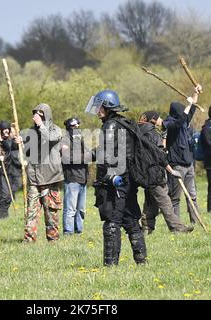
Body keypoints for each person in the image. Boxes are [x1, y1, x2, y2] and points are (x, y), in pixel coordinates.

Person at [86, 90, 147, 266]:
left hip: (115, 183)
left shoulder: (111, 126)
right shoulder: (124, 124)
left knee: (112, 222)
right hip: (127, 181)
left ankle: (110, 265)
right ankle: (141, 261)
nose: (97, 111)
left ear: (108, 107)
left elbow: (106, 154)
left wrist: (88, 156)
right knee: (131, 220)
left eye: (99, 107)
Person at [138, 111, 194, 234]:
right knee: (165, 202)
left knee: (151, 202)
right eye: (158, 119)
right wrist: (171, 171)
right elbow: (160, 155)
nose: (161, 121)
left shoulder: (138, 131)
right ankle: (177, 228)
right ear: (153, 120)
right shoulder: (152, 133)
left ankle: (146, 228)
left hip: (144, 174)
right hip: (155, 173)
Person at [22, 104, 64, 243]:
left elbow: (49, 139)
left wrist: (41, 126)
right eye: (36, 113)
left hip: (50, 177)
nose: (37, 116)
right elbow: (28, 152)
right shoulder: (31, 132)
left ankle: (53, 239)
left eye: (41, 113)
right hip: (34, 176)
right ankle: (29, 239)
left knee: (50, 211)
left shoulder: (55, 130)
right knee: (31, 211)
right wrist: (22, 143)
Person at [163, 85, 202, 224]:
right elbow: (180, 121)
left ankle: (195, 221)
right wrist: (189, 103)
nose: (184, 116)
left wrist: (195, 94)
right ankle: (177, 225)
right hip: (177, 167)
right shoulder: (169, 124)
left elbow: (191, 111)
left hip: (189, 164)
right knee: (175, 198)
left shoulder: (183, 121)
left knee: (192, 196)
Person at [61, 117, 89, 235]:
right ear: (68, 128)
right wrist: (83, 157)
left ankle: (79, 231)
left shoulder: (80, 140)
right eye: (74, 126)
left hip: (83, 178)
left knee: (81, 209)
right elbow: (67, 158)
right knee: (70, 209)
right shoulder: (64, 140)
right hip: (72, 179)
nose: (77, 128)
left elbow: (89, 155)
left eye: (78, 125)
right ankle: (68, 232)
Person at [0, 121, 23, 197]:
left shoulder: (12, 140)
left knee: (17, 184)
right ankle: (10, 196)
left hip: (15, 167)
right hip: (5, 168)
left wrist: (20, 142)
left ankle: (11, 195)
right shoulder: (1, 140)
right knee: (7, 189)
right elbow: (8, 146)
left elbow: (16, 147)